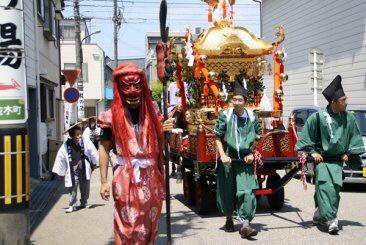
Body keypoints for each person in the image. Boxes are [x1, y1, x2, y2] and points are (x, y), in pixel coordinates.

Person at [98, 63, 165, 245]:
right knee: (127, 223)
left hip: (151, 175)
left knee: (150, 221)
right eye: (126, 86)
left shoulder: (154, 112)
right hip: (125, 175)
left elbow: (160, 146)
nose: (133, 91)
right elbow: (103, 148)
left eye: (137, 85)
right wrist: (103, 181)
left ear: (143, 86)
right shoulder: (109, 116)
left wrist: (163, 131)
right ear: (119, 88)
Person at [295, 75, 365, 234]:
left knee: (333, 190)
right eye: (343, 100)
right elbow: (305, 138)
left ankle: (320, 212)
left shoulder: (349, 117)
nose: (346, 102)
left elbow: (354, 136)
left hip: (338, 161)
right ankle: (331, 220)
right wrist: (312, 152)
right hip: (323, 161)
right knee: (325, 188)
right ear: (334, 102)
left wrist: (349, 153)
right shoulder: (317, 117)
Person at [214, 77, 261, 238]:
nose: (236, 102)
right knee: (228, 191)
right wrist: (222, 155)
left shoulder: (252, 116)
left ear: (245, 101)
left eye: (239, 99)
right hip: (229, 158)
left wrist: (251, 153)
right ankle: (228, 218)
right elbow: (217, 137)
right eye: (234, 99)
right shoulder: (225, 115)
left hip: (245, 160)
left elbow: (257, 137)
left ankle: (245, 225)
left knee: (247, 191)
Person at [52, 123, 99, 213]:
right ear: (72, 135)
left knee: (85, 187)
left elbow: (93, 151)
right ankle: (72, 204)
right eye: (77, 134)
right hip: (73, 171)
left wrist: (94, 162)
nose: (79, 136)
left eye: (80, 133)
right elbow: (60, 157)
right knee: (72, 188)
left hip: (84, 168)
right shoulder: (66, 145)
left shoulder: (85, 141)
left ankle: (84, 202)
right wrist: (60, 172)